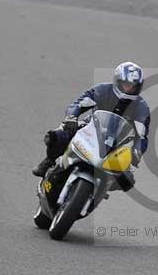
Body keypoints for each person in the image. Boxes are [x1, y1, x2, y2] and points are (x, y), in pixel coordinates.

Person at [32, 62, 150, 191]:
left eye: (133, 87)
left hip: (117, 143)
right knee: (56, 136)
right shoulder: (102, 90)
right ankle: (49, 161)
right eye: (126, 85)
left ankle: (100, 190)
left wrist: (136, 152)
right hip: (90, 128)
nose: (129, 89)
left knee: (128, 180)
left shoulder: (141, 107)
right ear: (118, 81)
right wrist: (72, 117)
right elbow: (79, 104)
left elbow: (142, 136)